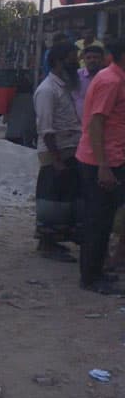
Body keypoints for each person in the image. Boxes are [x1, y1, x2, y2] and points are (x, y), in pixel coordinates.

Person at [74, 39, 125, 295]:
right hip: (100, 162)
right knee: (98, 221)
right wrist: (103, 166)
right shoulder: (111, 81)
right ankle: (91, 277)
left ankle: (97, 271)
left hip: (111, 158)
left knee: (103, 221)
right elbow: (96, 123)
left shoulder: (116, 77)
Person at [33, 42, 83, 257]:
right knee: (52, 199)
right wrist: (57, 159)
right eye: (72, 59)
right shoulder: (47, 90)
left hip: (69, 149)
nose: (76, 62)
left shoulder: (66, 86)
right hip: (56, 151)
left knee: (64, 200)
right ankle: (46, 243)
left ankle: (56, 240)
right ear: (58, 62)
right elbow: (46, 128)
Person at [74, 45, 106, 119]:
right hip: (78, 123)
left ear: (102, 59)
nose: (92, 60)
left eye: (95, 57)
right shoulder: (76, 76)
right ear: (84, 60)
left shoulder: (109, 77)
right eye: (88, 58)